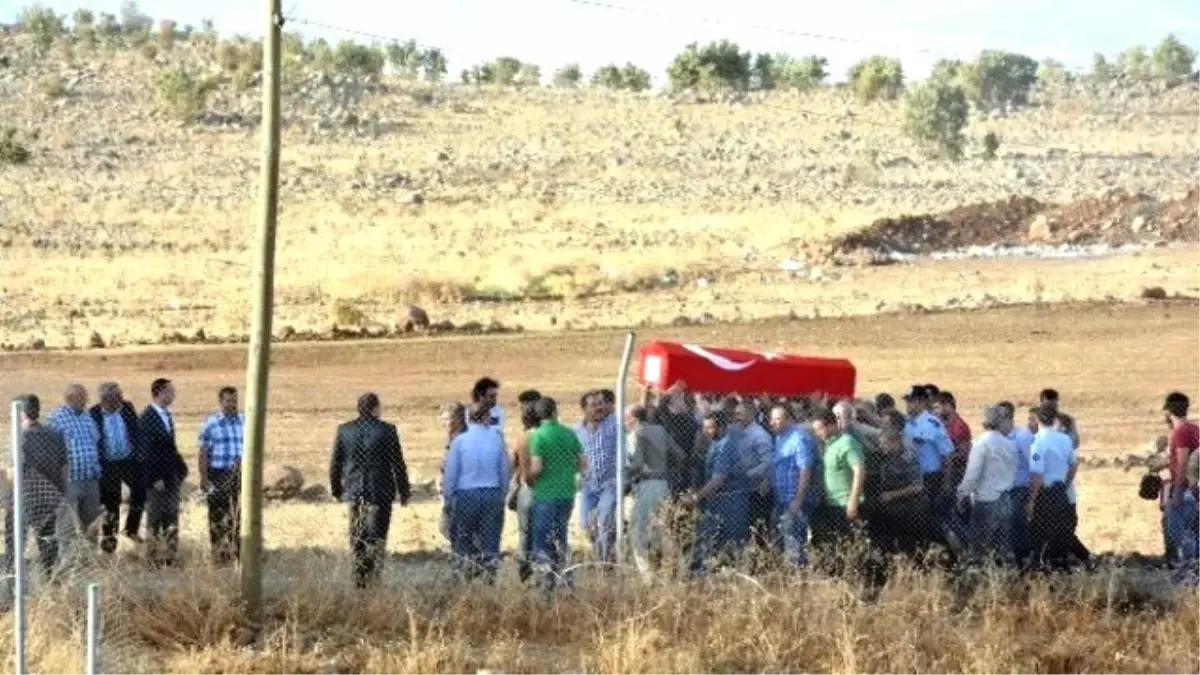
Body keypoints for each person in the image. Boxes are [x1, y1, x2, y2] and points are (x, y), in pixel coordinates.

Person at [329, 393, 411, 588]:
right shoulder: (387, 431)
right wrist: (404, 491)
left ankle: (359, 576)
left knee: (357, 534)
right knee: (378, 534)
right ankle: (375, 576)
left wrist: (336, 489)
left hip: (355, 489)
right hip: (380, 490)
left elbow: (336, 463)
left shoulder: (345, 431)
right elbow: (397, 463)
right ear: (375, 408)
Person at [3, 394, 68, 585]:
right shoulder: (54, 435)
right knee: (49, 545)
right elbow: (64, 467)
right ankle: (52, 584)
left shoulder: (20, 438)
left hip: (25, 499)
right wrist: (60, 493)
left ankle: (11, 584)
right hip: (49, 499)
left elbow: (14, 472)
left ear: (21, 413)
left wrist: (8, 499)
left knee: (14, 545)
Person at [443, 403, 510, 582]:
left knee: (463, 537)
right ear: (487, 418)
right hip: (491, 493)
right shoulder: (497, 439)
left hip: (466, 495)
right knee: (490, 538)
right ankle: (489, 578)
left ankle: (464, 577)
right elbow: (505, 469)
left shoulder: (460, 442)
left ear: (467, 418)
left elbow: (451, 473)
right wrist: (502, 493)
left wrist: (449, 497)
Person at [526, 397, 586, 594]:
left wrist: (528, 479)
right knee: (561, 536)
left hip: (545, 493)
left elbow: (537, 466)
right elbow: (583, 463)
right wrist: (569, 471)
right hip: (566, 492)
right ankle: (566, 578)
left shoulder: (538, 436)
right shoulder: (569, 433)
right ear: (554, 411)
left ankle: (546, 583)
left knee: (541, 539)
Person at [685, 410, 751, 575]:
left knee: (733, 540)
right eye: (704, 428)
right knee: (706, 535)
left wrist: (696, 497)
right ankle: (700, 572)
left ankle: (734, 575)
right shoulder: (715, 443)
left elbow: (718, 480)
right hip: (718, 500)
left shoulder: (726, 445)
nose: (706, 431)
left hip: (732, 501)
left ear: (721, 427)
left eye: (710, 427)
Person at [625, 403, 683, 578]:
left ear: (633, 419)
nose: (624, 422)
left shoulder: (636, 434)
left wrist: (623, 473)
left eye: (625, 419)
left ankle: (647, 574)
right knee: (660, 528)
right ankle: (672, 567)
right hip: (663, 484)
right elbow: (679, 454)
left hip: (647, 483)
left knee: (638, 530)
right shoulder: (659, 430)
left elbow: (636, 464)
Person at [47, 384, 102, 561]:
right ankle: (68, 564)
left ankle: (88, 560)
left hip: (90, 479)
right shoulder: (56, 419)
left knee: (91, 522)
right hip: (69, 481)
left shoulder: (87, 417)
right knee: (68, 525)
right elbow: (50, 450)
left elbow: (95, 441)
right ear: (71, 398)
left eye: (86, 397)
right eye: (83, 398)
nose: (86, 401)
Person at [956, 405, 1017, 565]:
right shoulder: (1010, 444)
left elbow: (972, 474)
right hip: (1006, 499)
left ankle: (981, 581)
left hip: (986, 500)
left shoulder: (981, 443)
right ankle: (1007, 579)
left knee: (980, 547)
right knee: (1004, 546)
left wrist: (962, 494)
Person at [89, 381, 144, 553]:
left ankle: (131, 529)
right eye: (117, 397)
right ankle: (109, 545)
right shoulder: (94, 413)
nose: (121, 399)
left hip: (129, 461)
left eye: (121, 396)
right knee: (111, 503)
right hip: (107, 464)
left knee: (141, 490)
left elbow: (136, 431)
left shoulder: (127, 408)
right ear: (105, 399)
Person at [811, 408, 867, 577]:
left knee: (852, 546)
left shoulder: (847, 442)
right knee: (833, 546)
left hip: (846, 505)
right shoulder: (828, 445)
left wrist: (853, 501)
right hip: (831, 505)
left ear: (831, 425)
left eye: (819, 429)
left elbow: (859, 470)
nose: (817, 433)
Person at [1025, 403, 1078, 571]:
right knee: (1060, 532)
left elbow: (1037, 475)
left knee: (1039, 534)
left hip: (1044, 494)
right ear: (1055, 418)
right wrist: (1065, 484)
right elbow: (1073, 465)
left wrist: (1031, 501)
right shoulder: (1065, 439)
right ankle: (1060, 567)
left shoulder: (1037, 442)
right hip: (1060, 492)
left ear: (1039, 419)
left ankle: (1040, 567)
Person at [139, 378, 187, 566]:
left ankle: (170, 556)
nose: (173, 395)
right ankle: (152, 557)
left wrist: (181, 469)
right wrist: (154, 478)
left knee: (171, 516)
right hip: (157, 478)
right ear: (159, 393)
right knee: (156, 518)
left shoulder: (166, 415)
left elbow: (170, 447)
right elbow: (145, 452)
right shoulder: (147, 418)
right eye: (170, 391)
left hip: (171, 475)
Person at [197, 386, 245, 566]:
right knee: (217, 516)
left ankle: (238, 554)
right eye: (228, 401)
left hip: (240, 474)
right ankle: (219, 556)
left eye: (234, 400)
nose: (232, 404)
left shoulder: (244, 421)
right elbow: (203, 453)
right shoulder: (211, 424)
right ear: (220, 401)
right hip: (217, 473)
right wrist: (204, 478)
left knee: (238, 515)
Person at [768, 405, 820, 567]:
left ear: (789, 419)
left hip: (795, 498)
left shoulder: (799, 438)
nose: (772, 423)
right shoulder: (780, 437)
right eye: (772, 419)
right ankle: (785, 573)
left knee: (793, 538)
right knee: (778, 535)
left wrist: (798, 498)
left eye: (777, 419)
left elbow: (805, 469)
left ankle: (797, 576)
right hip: (781, 497)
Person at [575, 391, 618, 564]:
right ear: (584, 409)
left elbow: (634, 413)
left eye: (601, 403)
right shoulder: (576, 431)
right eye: (594, 405)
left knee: (604, 521)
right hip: (588, 485)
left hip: (609, 484)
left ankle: (604, 561)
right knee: (586, 524)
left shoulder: (613, 424)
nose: (599, 407)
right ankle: (602, 550)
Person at [1162, 392, 1200, 569]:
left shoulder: (1180, 433)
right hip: (1194, 488)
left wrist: (1176, 492)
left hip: (1184, 490)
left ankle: (1185, 568)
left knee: (1180, 534)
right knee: (1193, 531)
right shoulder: (1194, 429)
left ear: (1169, 412)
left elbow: (1183, 462)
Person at [508, 391, 543, 583]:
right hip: (550, 491)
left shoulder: (522, 438)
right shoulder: (552, 436)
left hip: (527, 491)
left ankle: (525, 574)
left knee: (525, 535)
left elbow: (511, 465)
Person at [438, 403, 467, 544]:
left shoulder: (462, 438)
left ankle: (469, 554)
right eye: (442, 420)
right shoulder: (452, 437)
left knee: (447, 526)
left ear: (458, 419)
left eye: (447, 419)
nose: (444, 423)